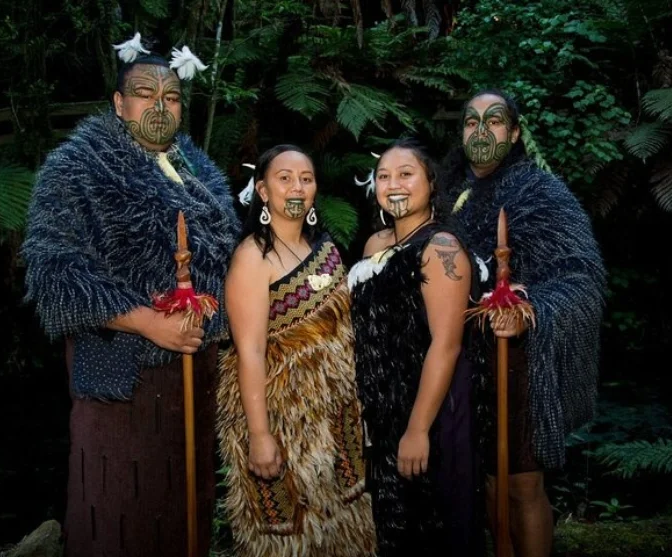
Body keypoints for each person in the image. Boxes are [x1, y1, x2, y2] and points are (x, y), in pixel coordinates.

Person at [21, 34, 240, 557]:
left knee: (185, 507)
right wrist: (147, 321)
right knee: (119, 507)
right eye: (145, 94)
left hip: (195, 372)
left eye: (171, 97)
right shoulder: (77, 168)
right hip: (120, 376)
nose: (160, 106)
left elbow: (229, 260)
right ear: (120, 104)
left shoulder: (199, 171)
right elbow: (53, 269)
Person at [438, 88, 607, 557]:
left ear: (514, 133)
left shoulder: (539, 192)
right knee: (485, 484)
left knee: (521, 485)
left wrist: (527, 310)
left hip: (519, 362)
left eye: (494, 122)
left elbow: (581, 277)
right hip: (463, 363)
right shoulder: (446, 192)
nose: (481, 131)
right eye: (471, 122)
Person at [215, 144, 376, 556]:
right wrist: (259, 436)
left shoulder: (325, 248)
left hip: (337, 420)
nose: (297, 187)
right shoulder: (252, 258)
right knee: (289, 540)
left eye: (306, 179)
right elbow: (249, 352)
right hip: (281, 422)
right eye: (284, 178)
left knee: (347, 530)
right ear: (262, 190)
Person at [348, 137, 484, 555]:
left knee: (437, 529)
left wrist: (418, 429)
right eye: (384, 176)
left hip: (433, 412)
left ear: (431, 183)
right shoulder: (375, 245)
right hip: (385, 415)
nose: (393, 185)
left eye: (406, 174)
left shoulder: (441, 248)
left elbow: (446, 345)